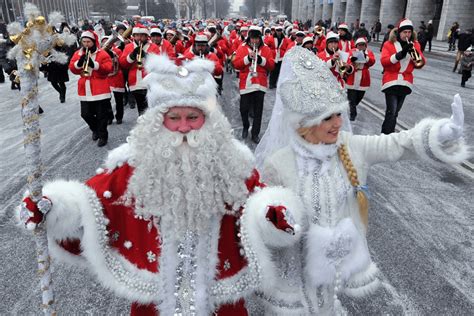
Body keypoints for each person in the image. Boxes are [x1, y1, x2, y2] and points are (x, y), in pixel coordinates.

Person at [17, 54, 304, 315]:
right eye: (173, 118)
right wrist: (52, 207)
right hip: (154, 294)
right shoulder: (130, 164)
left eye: (193, 117)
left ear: (207, 119)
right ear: (158, 120)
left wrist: (273, 215)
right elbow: (88, 202)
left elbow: (260, 203)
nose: (183, 127)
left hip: (219, 294)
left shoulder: (234, 163)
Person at [254, 46, 469, 315]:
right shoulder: (279, 163)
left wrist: (442, 133)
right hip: (295, 268)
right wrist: (277, 223)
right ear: (305, 123)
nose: (337, 123)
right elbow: (265, 222)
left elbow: (397, 144)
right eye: (327, 118)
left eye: (338, 114)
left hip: (334, 268)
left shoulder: (350, 147)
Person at [380, 18, 425, 134]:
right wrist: (401, 54)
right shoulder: (388, 44)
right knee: (391, 111)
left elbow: (419, 63)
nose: (407, 35)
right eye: (405, 32)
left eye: (409, 32)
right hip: (391, 80)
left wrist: (414, 54)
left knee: (395, 112)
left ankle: (389, 133)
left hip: (405, 82)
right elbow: (384, 62)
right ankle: (386, 134)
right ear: (399, 32)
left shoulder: (415, 44)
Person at [69, 30, 113, 147]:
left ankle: (103, 136)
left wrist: (95, 65)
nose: (86, 44)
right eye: (84, 42)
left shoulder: (102, 54)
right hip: (85, 88)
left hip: (100, 88)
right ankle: (95, 129)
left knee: (101, 115)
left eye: (88, 41)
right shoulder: (78, 54)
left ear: (93, 42)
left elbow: (108, 68)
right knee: (85, 114)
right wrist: (79, 63)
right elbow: (72, 68)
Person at [233, 26, 275, 143]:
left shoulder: (266, 49)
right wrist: (247, 58)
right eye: (252, 38)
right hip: (246, 84)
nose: (255, 41)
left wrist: (261, 60)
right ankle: (246, 126)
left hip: (260, 84)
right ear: (249, 38)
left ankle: (255, 134)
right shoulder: (242, 48)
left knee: (258, 111)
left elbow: (271, 65)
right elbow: (236, 64)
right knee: (243, 109)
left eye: (257, 38)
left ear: (260, 38)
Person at [119, 24, 160, 116]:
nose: (139, 38)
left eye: (142, 35)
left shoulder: (153, 47)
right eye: (137, 35)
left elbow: (158, 64)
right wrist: (132, 56)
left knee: (151, 107)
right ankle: (144, 124)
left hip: (150, 82)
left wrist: (147, 56)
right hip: (135, 83)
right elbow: (123, 64)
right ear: (133, 36)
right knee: (141, 108)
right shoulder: (128, 47)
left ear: (146, 36)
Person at [346, 37, 376, 120]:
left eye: (363, 45)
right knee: (351, 98)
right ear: (356, 45)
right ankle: (353, 114)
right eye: (359, 45)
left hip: (363, 77)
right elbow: (347, 63)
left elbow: (372, 62)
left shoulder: (369, 53)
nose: (361, 46)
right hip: (352, 76)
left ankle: (353, 107)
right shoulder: (351, 52)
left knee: (359, 98)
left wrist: (365, 57)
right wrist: (352, 60)